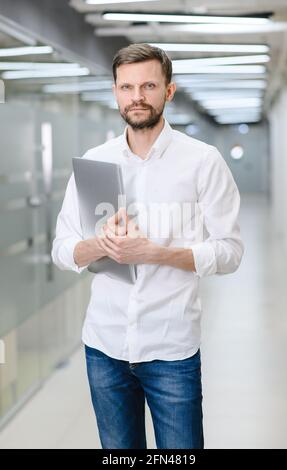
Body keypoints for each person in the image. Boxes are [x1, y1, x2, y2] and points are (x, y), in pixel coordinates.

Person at [51, 43, 244, 449]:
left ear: (168, 91)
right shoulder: (95, 161)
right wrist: (98, 244)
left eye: (148, 86)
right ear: (116, 92)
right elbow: (63, 249)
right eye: (127, 87)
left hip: (170, 348)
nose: (136, 97)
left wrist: (156, 254)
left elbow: (229, 251)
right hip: (104, 346)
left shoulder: (202, 161)